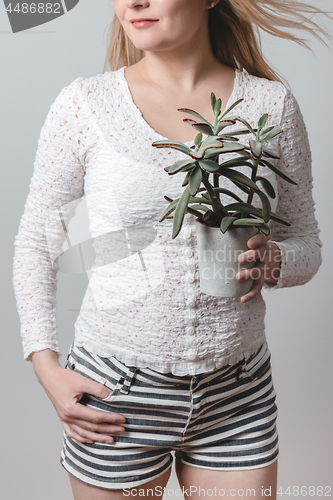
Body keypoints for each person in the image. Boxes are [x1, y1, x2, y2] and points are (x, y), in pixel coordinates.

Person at [12, 1, 328, 499]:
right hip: (114, 393)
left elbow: (307, 244)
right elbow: (36, 241)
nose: (134, 2)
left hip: (238, 393)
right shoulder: (85, 104)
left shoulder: (272, 105)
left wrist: (276, 262)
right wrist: (44, 363)